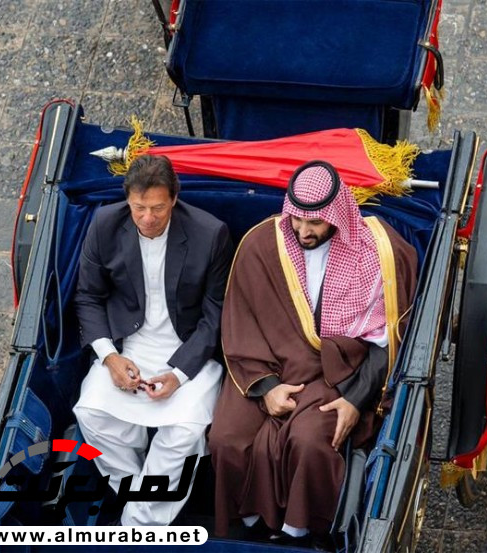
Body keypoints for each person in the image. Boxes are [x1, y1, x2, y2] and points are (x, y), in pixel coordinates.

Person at [208, 161, 418, 546]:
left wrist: (355, 401)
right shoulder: (260, 245)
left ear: (336, 215)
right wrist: (267, 388)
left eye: (315, 223)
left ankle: (305, 533)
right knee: (226, 438)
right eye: (297, 220)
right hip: (263, 367)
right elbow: (241, 322)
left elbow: (385, 340)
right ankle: (249, 526)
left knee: (308, 442)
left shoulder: (375, 251)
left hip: (334, 372)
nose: (303, 231)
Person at [73, 155, 233, 525]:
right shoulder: (104, 224)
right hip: (126, 348)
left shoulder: (210, 233)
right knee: (91, 412)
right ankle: (141, 500)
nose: (147, 218)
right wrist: (109, 357)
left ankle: (137, 523)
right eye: (138, 208)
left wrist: (178, 373)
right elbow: (88, 297)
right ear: (127, 200)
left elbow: (215, 315)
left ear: (175, 198)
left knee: (185, 431)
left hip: (190, 352)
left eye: (158, 208)